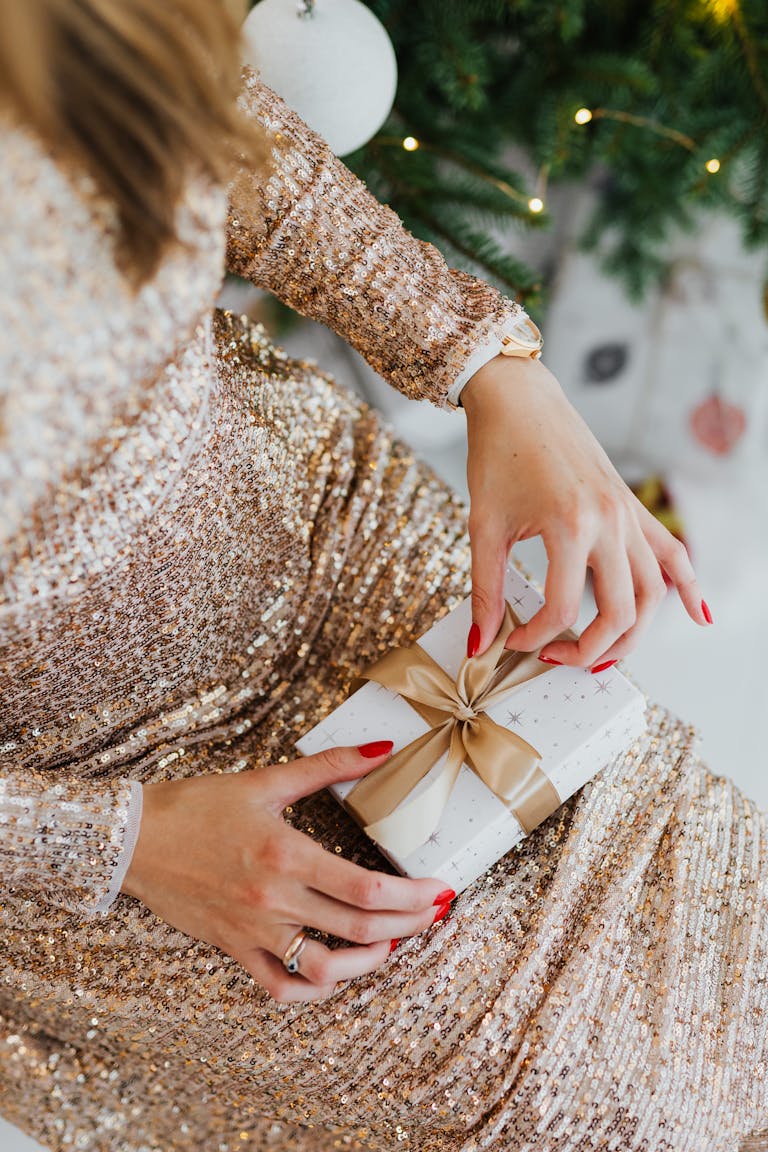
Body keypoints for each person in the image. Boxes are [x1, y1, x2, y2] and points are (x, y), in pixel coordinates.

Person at [1, 2, 766, 1150]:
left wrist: (493, 371)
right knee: (559, 1100)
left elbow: (223, 138)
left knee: (730, 936)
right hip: (84, 789)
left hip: (320, 532)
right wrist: (117, 841)